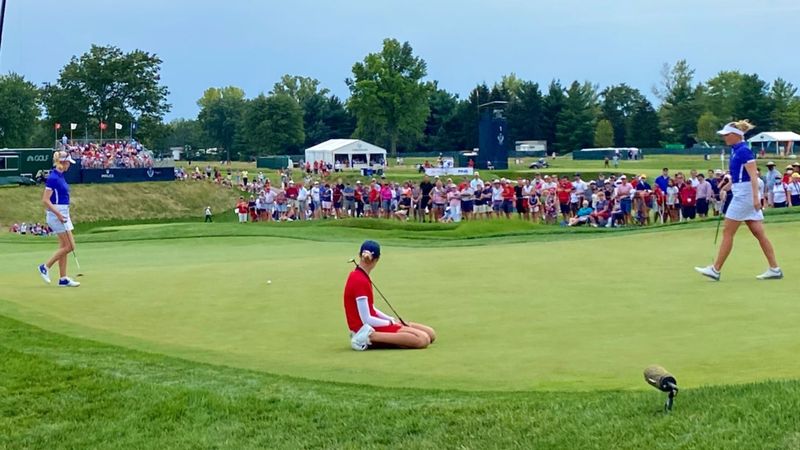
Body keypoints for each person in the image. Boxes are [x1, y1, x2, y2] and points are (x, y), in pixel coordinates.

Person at [695, 120, 782, 281]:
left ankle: (716, 269)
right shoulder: (735, 151)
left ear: (736, 135)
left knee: (728, 231)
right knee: (758, 232)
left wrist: (757, 198)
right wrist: (724, 189)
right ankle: (775, 269)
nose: (724, 138)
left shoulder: (744, 151)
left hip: (746, 195)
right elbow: (737, 177)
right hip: (741, 192)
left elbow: (753, 176)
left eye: (727, 135)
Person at [345, 240, 436, 350]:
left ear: (360, 255)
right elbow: (366, 319)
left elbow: (370, 307)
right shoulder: (359, 279)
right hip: (365, 329)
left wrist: (390, 319)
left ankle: (388, 336)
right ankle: (366, 338)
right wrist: (389, 323)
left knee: (431, 334)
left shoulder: (360, 276)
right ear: (377, 259)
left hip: (373, 323)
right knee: (422, 339)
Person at [38, 151, 80, 287]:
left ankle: (63, 279)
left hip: (63, 213)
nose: (69, 165)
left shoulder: (60, 176)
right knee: (70, 246)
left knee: (64, 246)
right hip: (56, 215)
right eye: (68, 162)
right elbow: (45, 200)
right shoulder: (53, 177)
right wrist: (58, 214)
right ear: (62, 162)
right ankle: (45, 266)